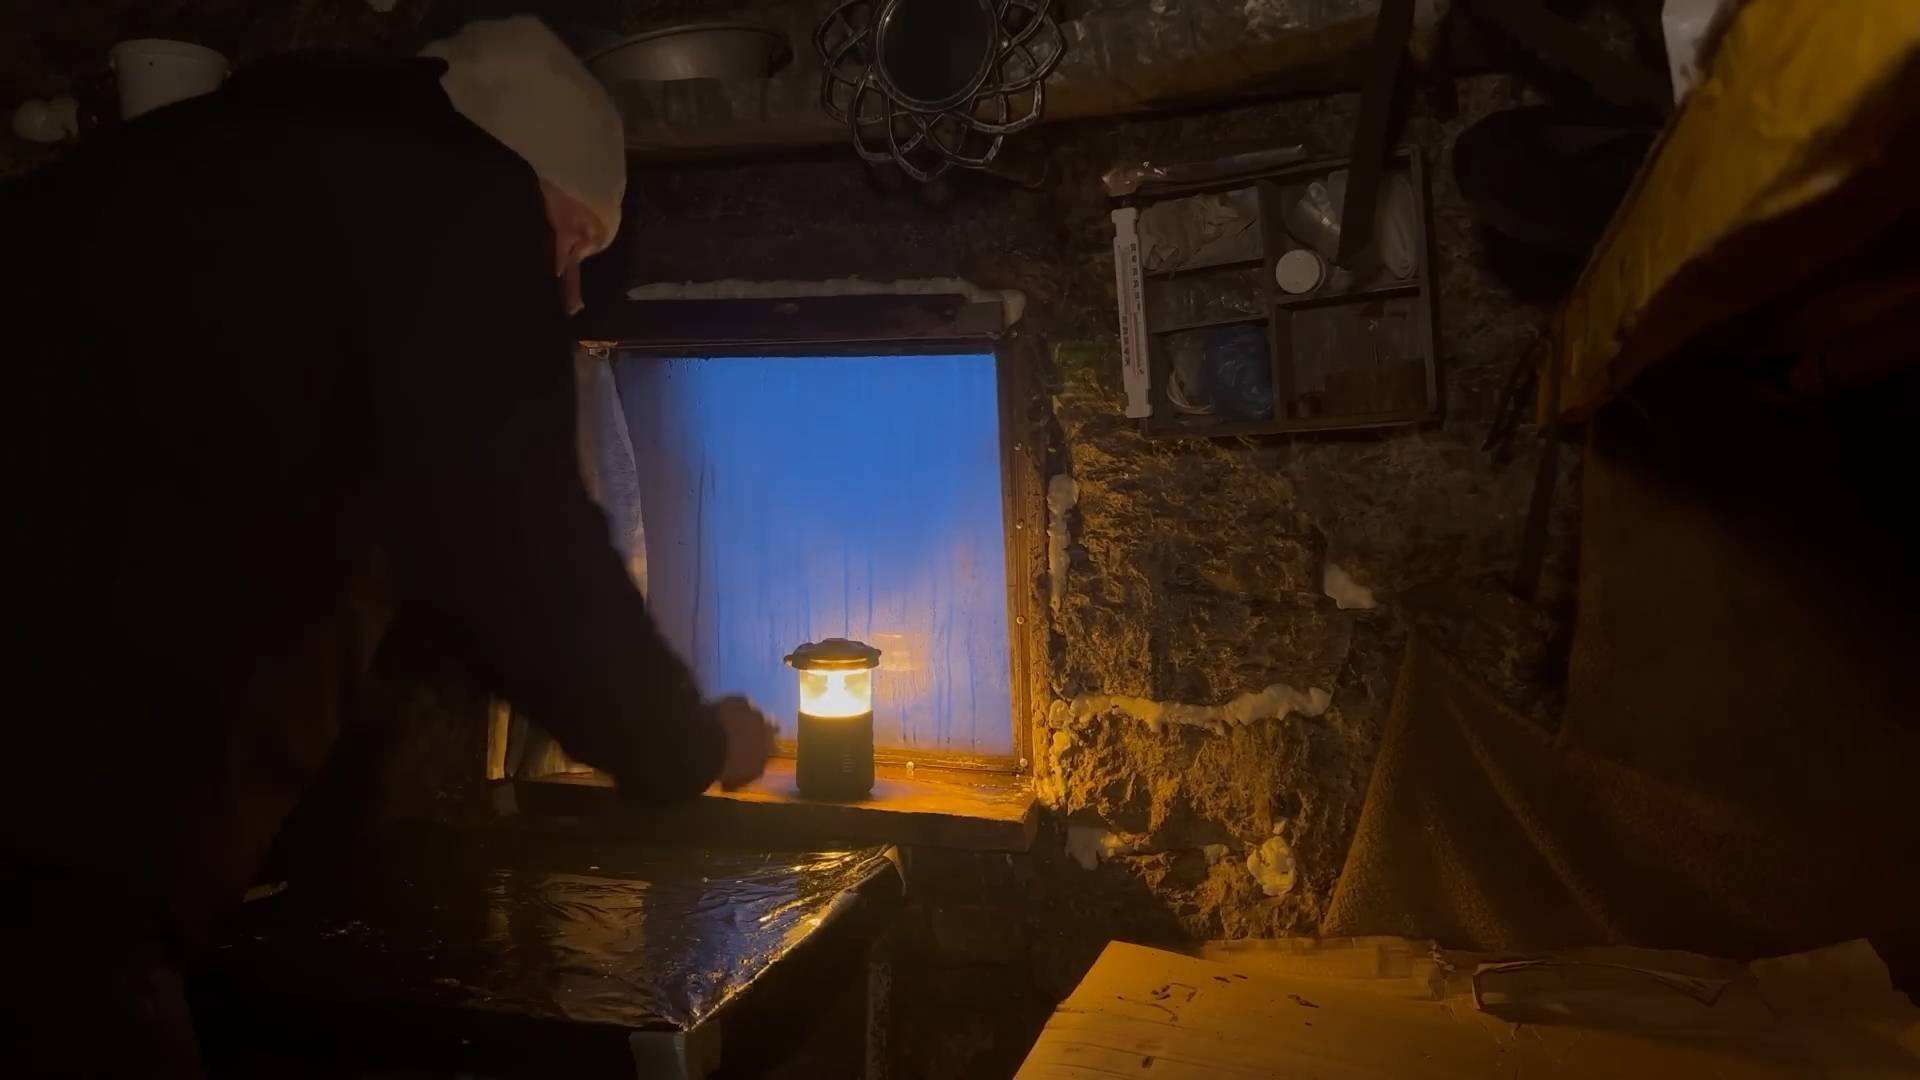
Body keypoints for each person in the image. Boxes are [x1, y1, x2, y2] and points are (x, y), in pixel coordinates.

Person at [0, 16, 772, 1075]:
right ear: (521, 168)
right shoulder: (454, 202)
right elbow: (523, 552)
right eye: (572, 239)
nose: (567, 291)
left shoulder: (192, 169)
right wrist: (690, 744)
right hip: (61, 848)